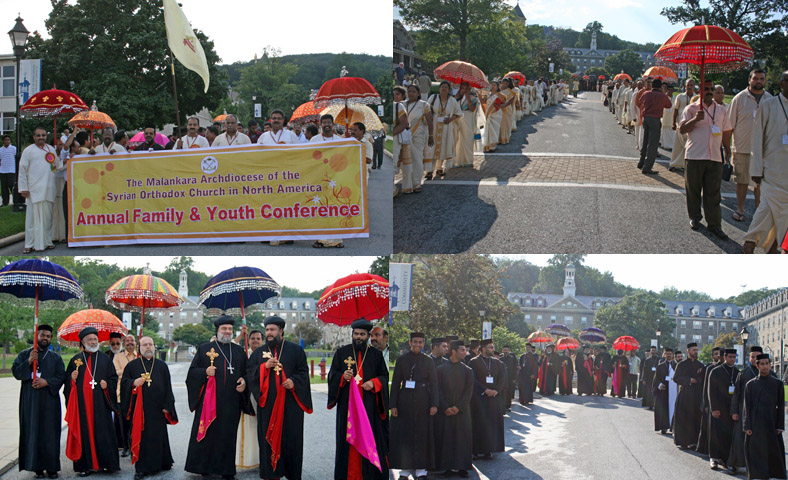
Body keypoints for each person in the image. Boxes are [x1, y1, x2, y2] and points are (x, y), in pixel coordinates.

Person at [246, 316, 312, 480]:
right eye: (267, 330)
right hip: (267, 405)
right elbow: (250, 374)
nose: (269, 333)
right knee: (267, 439)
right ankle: (270, 474)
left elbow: (303, 372)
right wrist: (263, 367)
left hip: (290, 405)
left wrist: (294, 381)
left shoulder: (296, 351)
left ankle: (292, 473)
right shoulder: (258, 353)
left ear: (281, 331)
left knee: (291, 439)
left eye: (272, 330)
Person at [185, 316, 251, 480]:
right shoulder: (205, 348)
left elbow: (247, 372)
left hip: (231, 402)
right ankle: (203, 467)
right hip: (209, 401)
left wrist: (244, 381)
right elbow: (192, 373)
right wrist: (204, 372)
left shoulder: (239, 351)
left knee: (227, 435)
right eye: (224, 329)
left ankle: (226, 469)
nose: (227, 332)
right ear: (218, 330)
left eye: (229, 329)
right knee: (208, 433)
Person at [327, 319, 388, 480]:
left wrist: (374, 383)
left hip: (369, 408)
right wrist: (342, 377)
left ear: (368, 336)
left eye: (362, 334)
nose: (358, 337)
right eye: (356, 334)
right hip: (347, 408)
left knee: (369, 439)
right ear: (352, 334)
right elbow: (332, 376)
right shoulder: (341, 353)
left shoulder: (375, 354)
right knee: (347, 443)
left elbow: (384, 376)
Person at [679, 79, 733, 239]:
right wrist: (695, 119)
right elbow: (682, 129)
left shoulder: (722, 110)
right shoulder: (691, 108)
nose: (709, 91)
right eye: (706, 89)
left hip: (715, 156)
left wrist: (728, 150)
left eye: (711, 89)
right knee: (693, 189)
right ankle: (695, 217)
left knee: (713, 193)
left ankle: (714, 225)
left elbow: (726, 131)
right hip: (695, 155)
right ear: (700, 90)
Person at [64, 327, 120, 476]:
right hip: (82, 405)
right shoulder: (76, 360)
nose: (93, 342)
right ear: (83, 342)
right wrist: (72, 379)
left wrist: (107, 385)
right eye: (90, 339)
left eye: (95, 339)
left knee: (103, 433)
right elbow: (67, 385)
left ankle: (107, 464)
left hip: (100, 404)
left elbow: (114, 378)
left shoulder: (105, 359)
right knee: (84, 433)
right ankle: (84, 466)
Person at [742, 70, 788, 254]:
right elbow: (756, 138)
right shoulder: (769, 105)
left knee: (777, 213)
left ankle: (771, 246)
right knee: (766, 208)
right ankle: (750, 242)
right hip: (771, 170)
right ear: (781, 84)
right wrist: (756, 169)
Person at [12, 325, 65, 479]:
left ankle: (52, 468)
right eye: (43, 335)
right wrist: (29, 361)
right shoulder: (25, 354)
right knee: (33, 432)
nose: (45, 338)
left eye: (48, 336)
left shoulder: (55, 357)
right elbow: (16, 372)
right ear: (37, 335)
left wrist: (46, 382)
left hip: (49, 402)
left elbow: (61, 376)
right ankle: (36, 468)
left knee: (49, 434)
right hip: (31, 402)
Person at [120, 337, 177, 480]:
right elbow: (124, 384)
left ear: (154, 347)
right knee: (142, 437)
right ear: (139, 347)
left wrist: (167, 405)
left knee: (158, 436)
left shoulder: (162, 365)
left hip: (158, 409)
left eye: (150, 344)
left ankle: (162, 462)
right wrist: (134, 382)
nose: (148, 347)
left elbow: (168, 387)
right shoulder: (132, 366)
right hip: (140, 409)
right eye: (144, 344)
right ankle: (142, 468)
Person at [390, 332, 438, 480]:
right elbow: (396, 382)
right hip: (405, 400)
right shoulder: (402, 359)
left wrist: (434, 404)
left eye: (421, 342)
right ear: (410, 343)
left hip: (423, 399)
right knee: (405, 435)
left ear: (424, 344)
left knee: (422, 435)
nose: (418, 345)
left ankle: (421, 469)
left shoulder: (428, 361)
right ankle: (404, 469)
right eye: (415, 342)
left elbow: (435, 383)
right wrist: (393, 405)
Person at [728, 70, 771, 222]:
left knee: (760, 184)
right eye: (755, 78)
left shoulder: (769, 99)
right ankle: (740, 209)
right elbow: (729, 125)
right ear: (749, 80)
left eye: (761, 78)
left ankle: (759, 212)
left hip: (763, 150)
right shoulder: (739, 98)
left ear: (765, 81)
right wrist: (728, 150)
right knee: (742, 181)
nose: (758, 81)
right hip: (742, 148)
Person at [742, 353, 786, 479]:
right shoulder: (750, 385)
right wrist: (747, 426)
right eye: (762, 364)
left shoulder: (777, 384)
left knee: (773, 453)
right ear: (757, 365)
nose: (765, 367)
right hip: (756, 424)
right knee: (756, 452)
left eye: (767, 364)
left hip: (771, 423)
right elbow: (747, 407)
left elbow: (781, 406)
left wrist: (780, 425)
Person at [435, 340, 472, 478]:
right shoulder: (441, 369)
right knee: (447, 438)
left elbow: (469, 391)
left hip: (462, 411)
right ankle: (447, 467)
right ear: (454, 351)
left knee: (463, 439)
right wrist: (446, 407)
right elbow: (437, 390)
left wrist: (458, 407)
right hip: (446, 411)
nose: (465, 353)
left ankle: (463, 467)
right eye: (462, 350)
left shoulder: (468, 370)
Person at [18, 127, 58, 253]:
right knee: (31, 220)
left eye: (43, 135)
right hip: (34, 190)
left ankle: (47, 241)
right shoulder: (28, 151)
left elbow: (56, 167)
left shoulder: (51, 149)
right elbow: (22, 170)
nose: (41, 137)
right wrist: (23, 188)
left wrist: (69, 161)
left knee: (47, 219)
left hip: (49, 189)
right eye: (38, 135)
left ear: (46, 136)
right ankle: (29, 244)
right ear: (34, 137)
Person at [728, 346, 765, 473]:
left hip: (762, 414)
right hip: (744, 412)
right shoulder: (743, 373)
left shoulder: (769, 374)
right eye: (752, 357)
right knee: (739, 439)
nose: (755, 359)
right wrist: (734, 412)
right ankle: (735, 463)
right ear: (749, 358)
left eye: (757, 357)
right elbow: (736, 394)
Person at [469, 339, 504, 460]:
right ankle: (477, 450)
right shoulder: (473, 362)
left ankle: (489, 449)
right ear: (483, 348)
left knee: (491, 423)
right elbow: (472, 379)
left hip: (493, 398)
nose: (493, 349)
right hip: (480, 398)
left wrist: (496, 391)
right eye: (491, 347)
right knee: (479, 424)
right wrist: (484, 390)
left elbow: (501, 378)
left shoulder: (497, 362)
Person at [705, 349, 738, 470]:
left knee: (728, 434)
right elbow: (711, 391)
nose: (732, 359)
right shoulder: (716, 371)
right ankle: (713, 459)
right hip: (718, 408)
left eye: (734, 357)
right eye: (730, 357)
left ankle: (726, 459)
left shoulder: (737, 372)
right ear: (724, 357)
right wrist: (714, 408)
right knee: (716, 434)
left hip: (730, 408)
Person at [423, 81, 461, 180]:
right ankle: (429, 170)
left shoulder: (452, 100)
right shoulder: (433, 98)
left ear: (449, 90)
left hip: (446, 126)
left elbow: (459, 113)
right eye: (442, 87)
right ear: (439, 89)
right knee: (432, 147)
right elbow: (426, 109)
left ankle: (440, 168)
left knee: (444, 146)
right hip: (434, 125)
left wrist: (450, 119)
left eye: (446, 87)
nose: (444, 88)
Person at [672, 342, 704, 449]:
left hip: (697, 395)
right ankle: (683, 441)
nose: (695, 352)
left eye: (696, 350)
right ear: (688, 351)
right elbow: (676, 378)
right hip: (685, 395)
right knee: (684, 418)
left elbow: (703, 379)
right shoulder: (681, 364)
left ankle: (694, 441)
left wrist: (698, 379)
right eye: (693, 350)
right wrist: (689, 380)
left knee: (695, 418)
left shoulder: (700, 365)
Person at [638, 78, 673, 174]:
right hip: (655, 119)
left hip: (646, 118)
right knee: (653, 144)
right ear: (660, 87)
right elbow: (669, 105)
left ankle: (641, 162)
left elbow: (641, 101)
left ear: (652, 85)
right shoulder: (662, 96)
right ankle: (647, 167)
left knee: (645, 141)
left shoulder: (646, 93)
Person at [111, 333, 136, 458]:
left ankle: (135, 446)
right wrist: (132, 370)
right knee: (123, 423)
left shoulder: (140, 356)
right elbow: (116, 372)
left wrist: (127, 372)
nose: (130, 342)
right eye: (127, 341)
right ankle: (125, 447)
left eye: (132, 340)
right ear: (124, 343)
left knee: (135, 423)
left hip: (137, 394)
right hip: (122, 394)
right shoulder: (118, 357)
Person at [403, 84, 430, 192]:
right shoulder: (402, 104)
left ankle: (417, 183)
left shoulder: (423, 105)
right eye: (409, 91)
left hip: (418, 135)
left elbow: (430, 121)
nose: (411, 93)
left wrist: (431, 136)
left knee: (417, 158)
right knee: (406, 159)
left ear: (418, 93)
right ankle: (408, 183)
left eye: (414, 91)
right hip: (404, 135)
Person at [696, 347, 721, 457]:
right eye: (716, 354)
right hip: (710, 402)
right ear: (712, 356)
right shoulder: (709, 368)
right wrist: (706, 403)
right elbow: (705, 387)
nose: (718, 356)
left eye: (719, 354)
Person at [669, 79, 696, 172]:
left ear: (694, 86)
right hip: (680, 125)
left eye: (691, 85)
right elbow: (675, 110)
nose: (689, 87)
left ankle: (685, 165)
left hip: (691, 126)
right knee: (677, 145)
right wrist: (673, 123)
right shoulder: (680, 97)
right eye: (688, 85)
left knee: (688, 146)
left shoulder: (696, 98)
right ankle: (673, 163)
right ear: (685, 85)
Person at [393, 86, 413, 195]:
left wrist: (394, 132)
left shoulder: (399, 106)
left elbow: (404, 123)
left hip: (397, 138)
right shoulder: (395, 106)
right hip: (395, 136)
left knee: (395, 163)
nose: (395, 96)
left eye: (397, 94)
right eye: (393, 94)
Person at [652, 347, 677, 434]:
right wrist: (659, 385)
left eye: (670, 354)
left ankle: (673, 426)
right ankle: (664, 427)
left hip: (674, 392)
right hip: (663, 391)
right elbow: (656, 379)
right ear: (664, 354)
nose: (669, 355)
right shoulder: (660, 366)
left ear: (672, 355)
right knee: (663, 409)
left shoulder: (676, 366)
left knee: (674, 408)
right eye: (667, 354)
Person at [454, 82, 478, 169]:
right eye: (463, 88)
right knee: (458, 139)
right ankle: (458, 160)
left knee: (468, 139)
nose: (464, 90)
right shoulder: (458, 98)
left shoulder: (474, 98)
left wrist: (468, 98)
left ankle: (468, 160)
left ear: (469, 89)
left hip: (468, 119)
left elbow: (472, 109)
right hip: (459, 119)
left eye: (466, 88)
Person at [483, 81, 505, 153]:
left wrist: (497, 107)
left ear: (498, 87)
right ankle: (487, 145)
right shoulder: (488, 95)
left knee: (494, 128)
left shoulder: (500, 95)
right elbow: (484, 103)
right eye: (491, 85)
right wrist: (480, 96)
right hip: (488, 113)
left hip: (496, 114)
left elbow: (502, 104)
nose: (492, 86)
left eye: (494, 85)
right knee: (488, 128)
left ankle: (493, 145)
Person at [0, 134, 17, 207]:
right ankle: (5, 202)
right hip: (3, 170)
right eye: (5, 140)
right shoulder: (1, 150)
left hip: (11, 170)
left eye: (8, 140)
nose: (7, 141)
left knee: (12, 186)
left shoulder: (14, 149)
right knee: (4, 187)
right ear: (3, 141)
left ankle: (15, 201)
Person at [660, 84, 675, 150]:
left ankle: (671, 145)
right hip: (665, 116)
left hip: (672, 116)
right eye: (669, 90)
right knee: (665, 131)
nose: (670, 91)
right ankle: (665, 145)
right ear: (667, 90)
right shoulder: (664, 97)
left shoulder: (675, 98)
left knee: (671, 132)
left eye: (672, 90)